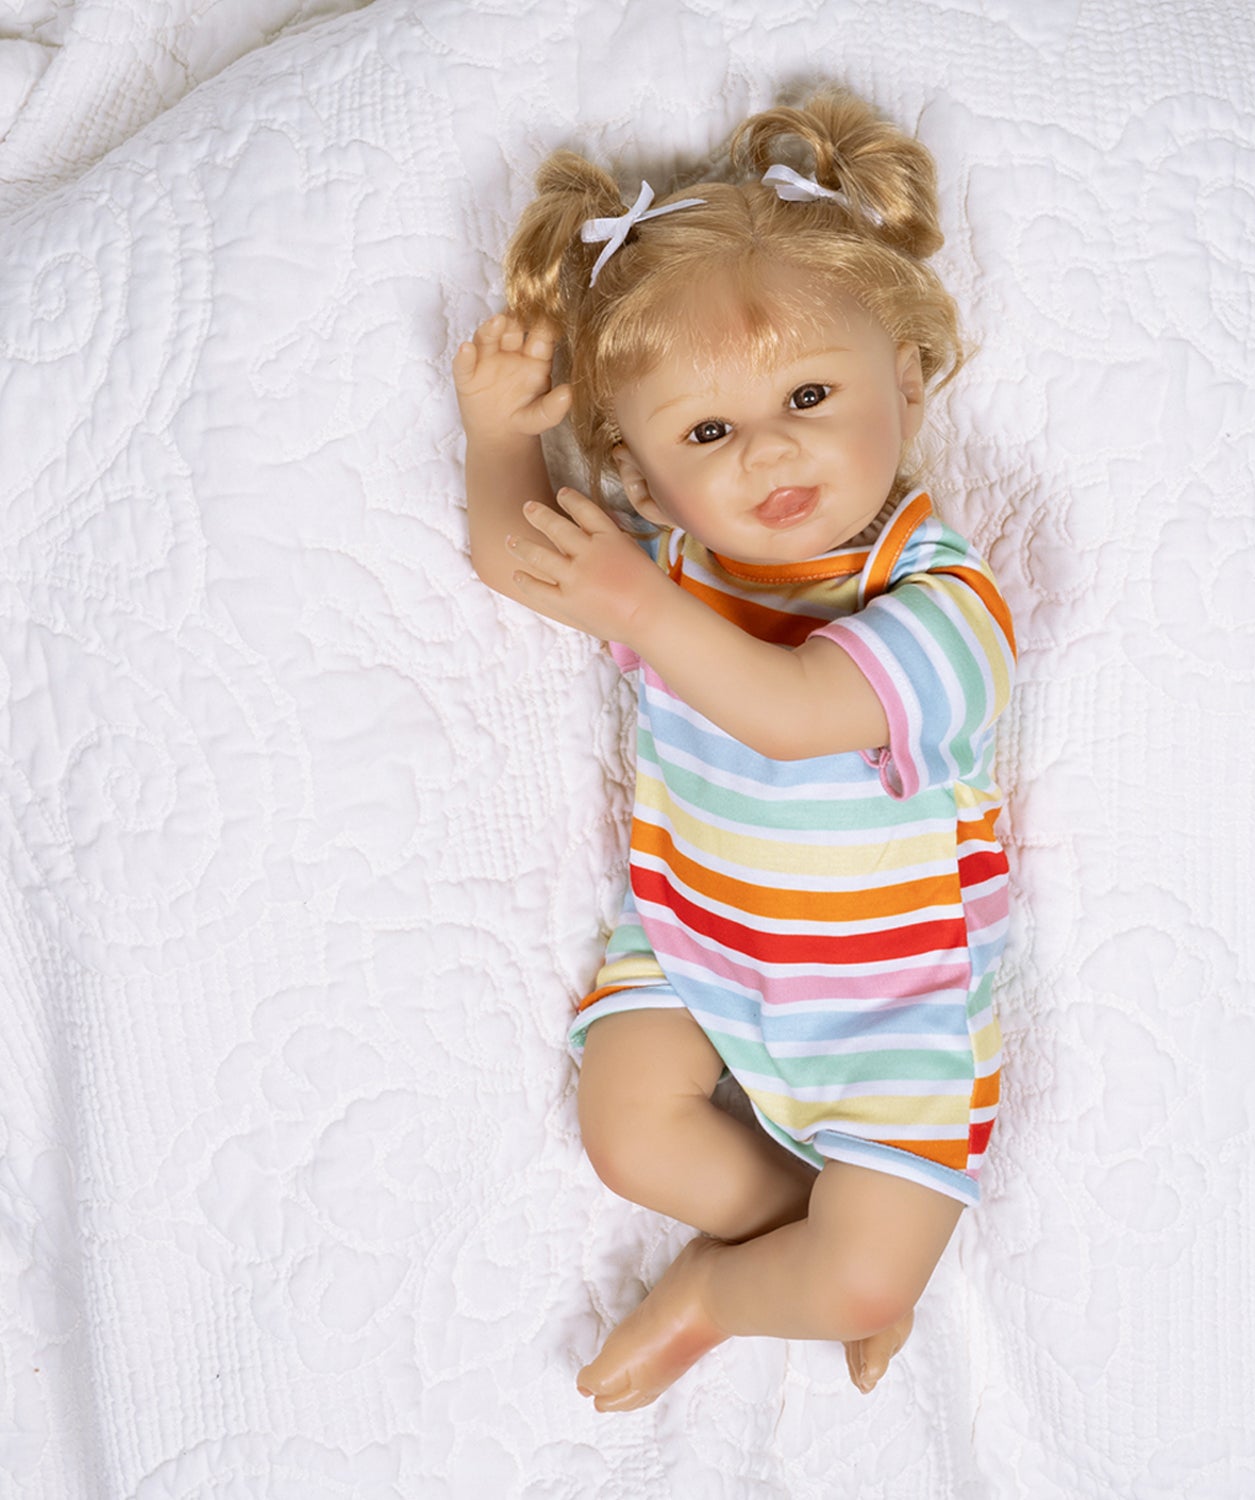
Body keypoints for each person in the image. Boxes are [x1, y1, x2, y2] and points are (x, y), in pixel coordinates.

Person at [451, 89, 1016, 1413]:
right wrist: (499, 438)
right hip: (692, 938)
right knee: (629, 1135)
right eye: (706, 433)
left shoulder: (943, 602)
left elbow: (795, 707)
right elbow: (514, 554)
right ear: (641, 479)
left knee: (862, 1284)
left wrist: (642, 610)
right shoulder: (670, 571)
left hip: (897, 1011)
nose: (770, 448)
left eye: (811, 394)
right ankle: (802, 1243)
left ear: (908, 383)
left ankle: (725, 1291)